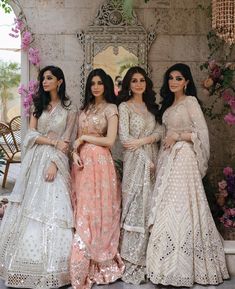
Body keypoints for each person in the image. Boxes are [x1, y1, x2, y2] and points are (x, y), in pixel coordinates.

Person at [146, 63, 229, 287]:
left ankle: (184, 268)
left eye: (179, 78)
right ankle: (164, 268)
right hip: (168, 160)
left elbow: (201, 132)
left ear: (187, 82)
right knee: (168, 206)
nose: (174, 82)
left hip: (184, 159)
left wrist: (180, 136)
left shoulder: (190, 102)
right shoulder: (168, 106)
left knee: (182, 206)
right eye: (171, 78)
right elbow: (164, 134)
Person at [0, 65, 77, 288]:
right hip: (35, 161)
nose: (44, 82)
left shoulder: (69, 109)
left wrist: (54, 162)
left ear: (59, 81)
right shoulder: (38, 105)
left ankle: (55, 268)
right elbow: (31, 135)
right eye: (43, 78)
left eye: (49, 78)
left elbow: (67, 140)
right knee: (28, 207)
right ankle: (23, 262)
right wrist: (51, 142)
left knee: (54, 209)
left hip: (56, 162)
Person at [70, 68, 124, 289]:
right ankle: (84, 259)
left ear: (106, 85)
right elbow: (74, 140)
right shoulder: (84, 108)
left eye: (100, 82)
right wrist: (74, 153)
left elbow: (110, 140)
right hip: (82, 164)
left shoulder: (111, 109)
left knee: (100, 210)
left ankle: (99, 261)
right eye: (92, 83)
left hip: (101, 164)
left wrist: (84, 137)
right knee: (83, 209)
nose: (96, 86)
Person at [118, 66, 162, 284]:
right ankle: (131, 258)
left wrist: (145, 142)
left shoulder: (152, 107)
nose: (138, 84)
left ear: (146, 83)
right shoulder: (124, 107)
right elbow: (125, 140)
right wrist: (146, 160)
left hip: (152, 158)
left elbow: (160, 132)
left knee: (149, 206)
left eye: (141, 80)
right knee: (134, 205)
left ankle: (150, 259)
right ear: (129, 84)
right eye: (134, 81)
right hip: (136, 162)